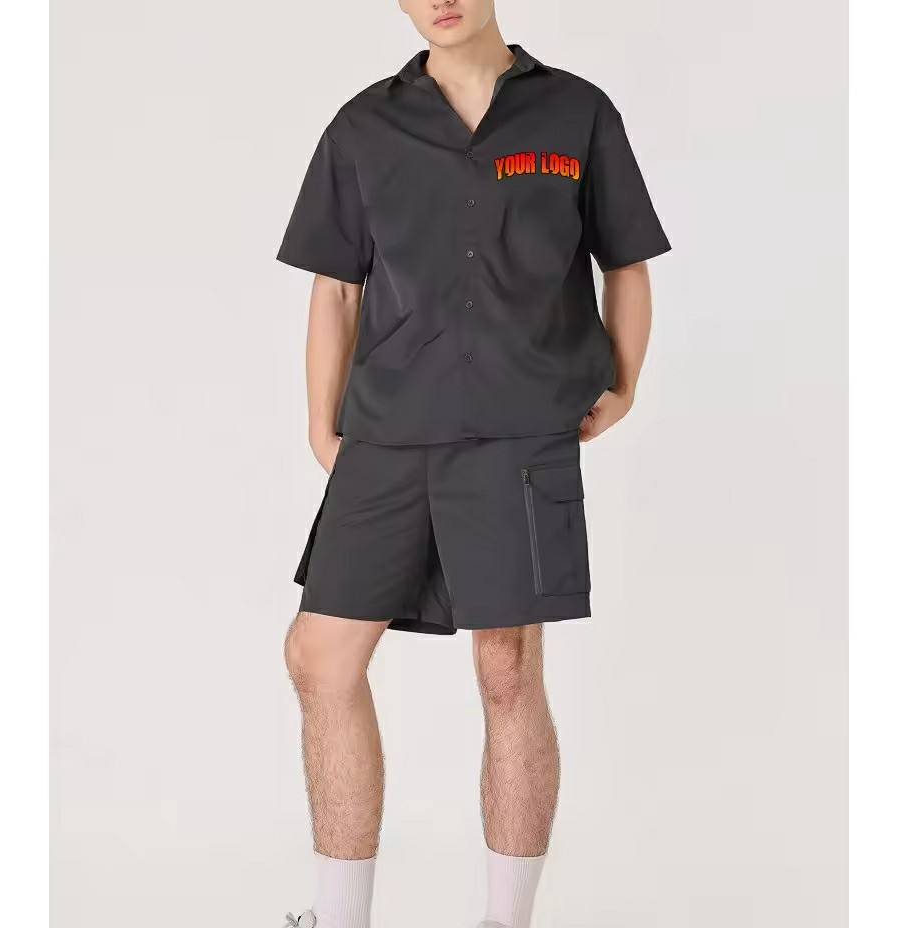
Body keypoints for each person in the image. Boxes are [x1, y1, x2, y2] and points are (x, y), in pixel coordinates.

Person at [275, 0, 670, 925]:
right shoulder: (363, 125)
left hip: (518, 431)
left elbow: (626, 262)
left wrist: (625, 380)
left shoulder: (576, 112)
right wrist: (322, 426)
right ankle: (340, 916)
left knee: (507, 670)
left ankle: (506, 920)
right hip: (387, 429)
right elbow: (336, 289)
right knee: (320, 658)